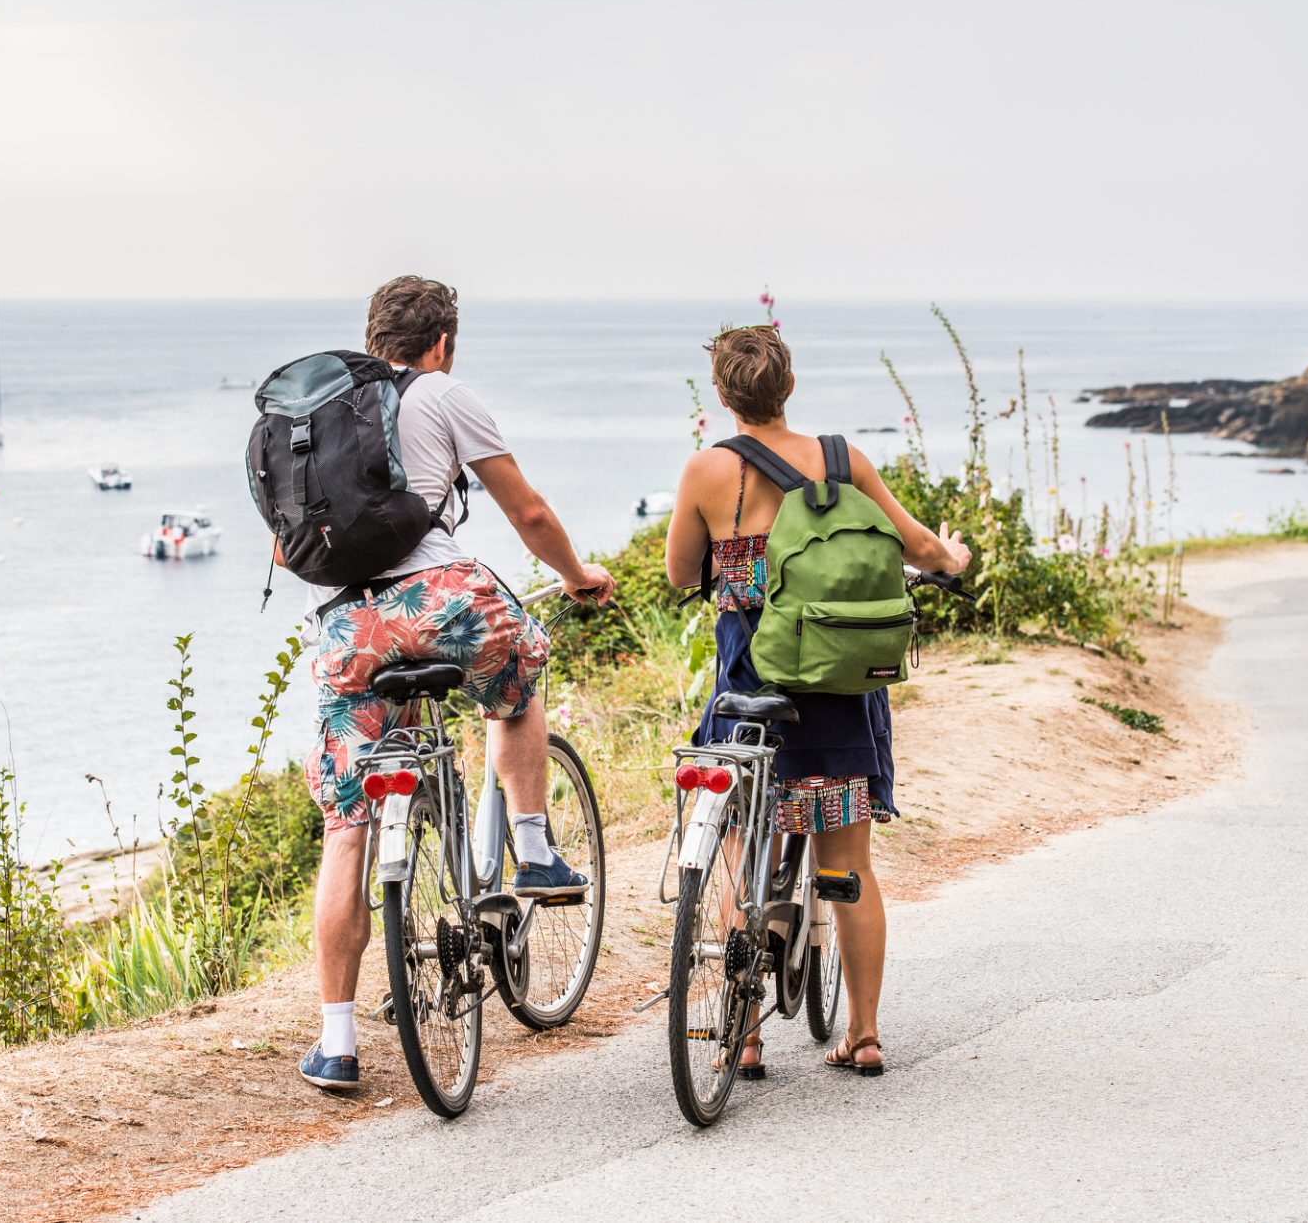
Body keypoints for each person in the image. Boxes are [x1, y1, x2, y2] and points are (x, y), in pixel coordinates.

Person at [294, 276, 615, 1092]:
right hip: (442, 603)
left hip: (347, 628)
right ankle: (537, 852)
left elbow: (288, 546)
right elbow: (529, 513)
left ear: (372, 343)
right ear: (441, 343)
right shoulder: (442, 392)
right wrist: (576, 574)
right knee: (518, 679)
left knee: (347, 825)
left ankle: (335, 1043)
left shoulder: (323, 414)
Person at [663, 324, 971, 1079]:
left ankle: (744, 1034)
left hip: (749, 697)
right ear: (788, 386)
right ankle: (864, 1034)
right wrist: (953, 558)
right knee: (849, 870)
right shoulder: (843, 461)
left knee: (739, 858)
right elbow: (917, 547)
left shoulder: (707, 471)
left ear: (723, 395)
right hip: (837, 701)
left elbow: (678, 574)